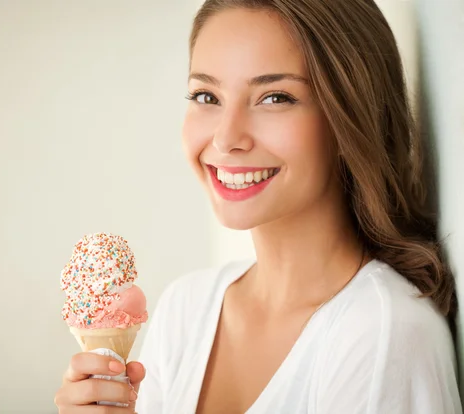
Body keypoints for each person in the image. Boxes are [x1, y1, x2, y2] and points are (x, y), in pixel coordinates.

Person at [54, 0, 462, 412]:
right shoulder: (186, 308)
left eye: (275, 97)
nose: (225, 138)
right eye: (206, 95)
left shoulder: (381, 336)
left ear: (351, 115)